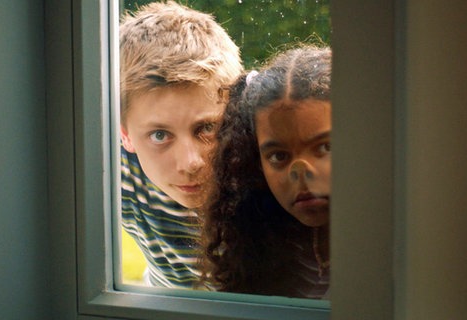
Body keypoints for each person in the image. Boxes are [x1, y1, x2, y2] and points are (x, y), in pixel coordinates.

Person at [119, 1, 243, 288]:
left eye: (207, 128)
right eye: (160, 135)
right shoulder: (109, 172)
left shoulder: (266, 166)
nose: (191, 163)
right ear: (124, 134)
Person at [200, 46, 331, 299]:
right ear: (256, 162)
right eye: (279, 156)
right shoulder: (252, 243)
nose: (302, 173)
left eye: (325, 147)